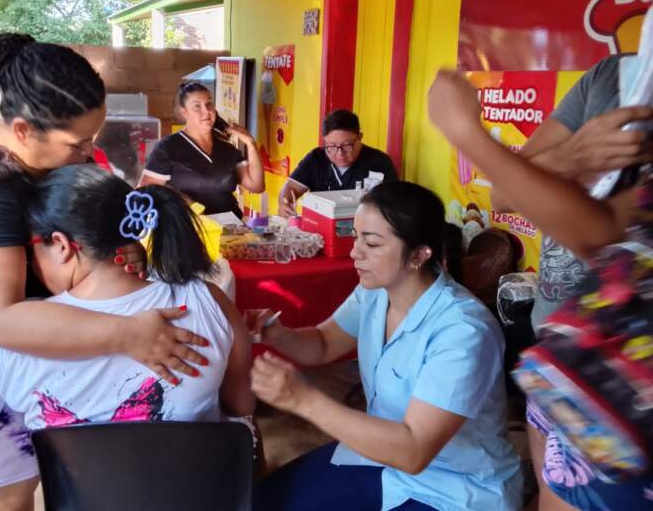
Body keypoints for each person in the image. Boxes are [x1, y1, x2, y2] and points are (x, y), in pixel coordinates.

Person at [0, 34, 210, 510]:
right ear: (23, 130)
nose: (89, 152)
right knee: (4, 495)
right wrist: (127, 334)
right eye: (78, 143)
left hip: (31, 343)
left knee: (34, 477)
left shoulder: (28, 162)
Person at [0, 166, 254, 459]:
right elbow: (240, 408)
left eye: (29, 250)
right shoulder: (209, 301)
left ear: (61, 245)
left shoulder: (12, 342)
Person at [429, 69, 653, 511]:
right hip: (577, 355)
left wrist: (468, 135)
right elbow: (605, 223)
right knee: (559, 485)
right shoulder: (612, 76)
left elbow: (601, 237)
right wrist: (574, 155)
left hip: (631, 381)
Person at [248, 181, 522, 511]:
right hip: (381, 458)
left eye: (372, 243)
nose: (355, 252)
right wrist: (281, 336)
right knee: (263, 502)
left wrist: (302, 400)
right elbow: (323, 343)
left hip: (455, 487)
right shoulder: (375, 293)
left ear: (419, 255)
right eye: (356, 237)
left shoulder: (464, 331)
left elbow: (415, 450)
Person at [140, 81, 265, 217]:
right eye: (197, 106)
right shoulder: (167, 148)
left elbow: (256, 185)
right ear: (184, 112)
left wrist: (250, 143)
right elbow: (146, 192)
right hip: (188, 226)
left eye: (209, 104)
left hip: (230, 227)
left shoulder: (227, 150)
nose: (206, 111)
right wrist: (180, 199)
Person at [278, 109, 398, 216]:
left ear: (360, 137)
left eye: (347, 145)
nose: (340, 154)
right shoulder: (316, 159)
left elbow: (392, 208)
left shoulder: (380, 163)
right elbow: (289, 189)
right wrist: (285, 203)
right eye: (331, 146)